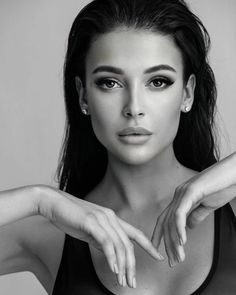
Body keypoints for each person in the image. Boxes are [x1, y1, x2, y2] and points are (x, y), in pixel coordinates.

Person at [0, 0, 236, 294]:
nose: (134, 107)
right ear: (83, 96)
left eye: (158, 81)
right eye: (110, 83)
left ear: (187, 93)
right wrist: (38, 199)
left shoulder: (231, 208)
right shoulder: (49, 232)